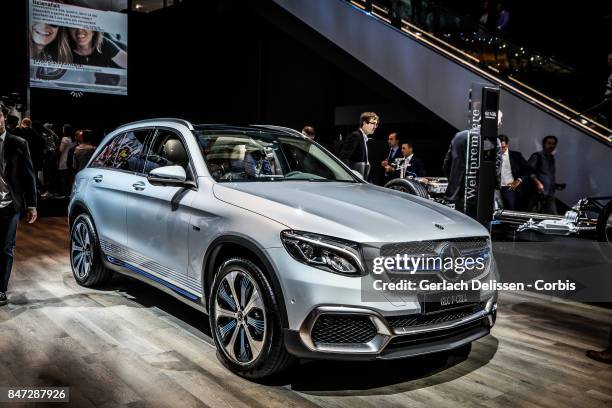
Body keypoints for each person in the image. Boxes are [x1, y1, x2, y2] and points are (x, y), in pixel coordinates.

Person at [0, 102, 38, 306]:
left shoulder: (18, 143)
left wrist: (32, 204)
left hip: (9, 204)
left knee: (6, 248)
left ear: (4, 117)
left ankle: (1, 289)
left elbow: (29, 175)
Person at [527, 135, 564, 214]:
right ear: (544, 144)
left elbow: (547, 175)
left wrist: (556, 185)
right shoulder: (537, 156)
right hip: (537, 193)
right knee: (533, 216)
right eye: (549, 143)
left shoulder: (551, 158)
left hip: (549, 193)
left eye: (553, 144)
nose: (552, 146)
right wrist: (538, 183)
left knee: (553, 215)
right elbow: (528, 171)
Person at [338, 112, 379, 179]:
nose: (375, 127)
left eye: (376, 124)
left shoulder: (364, 138)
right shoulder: (355, 136)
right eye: (373, 123)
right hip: (353, 182)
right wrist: (349, 177)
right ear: (364, 122)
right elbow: (343, 158)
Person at [61, 28, 127, 69]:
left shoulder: (103, 43)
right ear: (68, 31)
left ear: (93, 31)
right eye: (73, 26)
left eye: (85, 25)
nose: (79, 30)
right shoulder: (63, 50)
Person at [498, 134, 531, 210]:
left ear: (507, 144)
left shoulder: (516, 155)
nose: (501, 150)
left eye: (503, 147)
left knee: (509, 209)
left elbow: (528, 169)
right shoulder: (492, 155)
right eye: (499, 148)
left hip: (509, 188)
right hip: (495, 189)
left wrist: (519, 180)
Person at [58, 124, 77, 197]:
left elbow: (61, 150)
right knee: (69, 177)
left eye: (63, 128)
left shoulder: (64, 139)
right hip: (70, 159)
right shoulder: (72, 139)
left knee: (63, 177)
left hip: (64, 159)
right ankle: (69, 192)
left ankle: (63, 193)